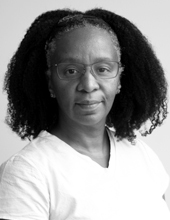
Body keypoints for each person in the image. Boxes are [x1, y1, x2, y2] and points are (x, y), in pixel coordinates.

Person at [0, 7, 170, 220]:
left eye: (103, 69)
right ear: (50, 82)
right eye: (71, 71)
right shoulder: (27, 172)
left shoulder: (141, 154)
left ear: (119, 80)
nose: (88, 85)